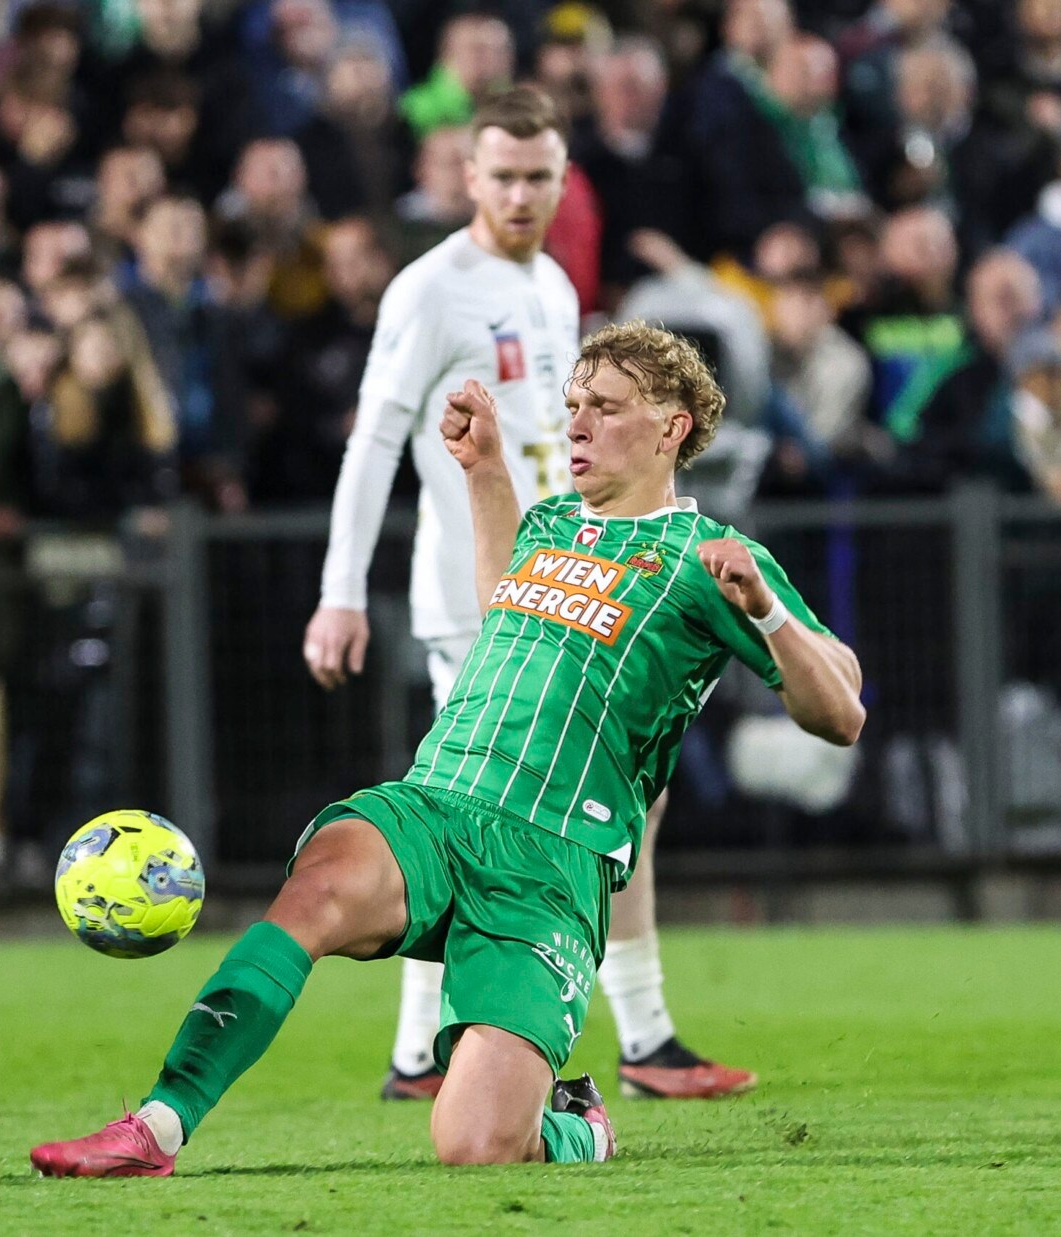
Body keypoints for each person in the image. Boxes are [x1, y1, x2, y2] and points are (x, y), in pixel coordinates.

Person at [33, 321, 864, 1176]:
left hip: (551, 862)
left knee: (475, 1145)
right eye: (573, 404)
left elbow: (841, 712)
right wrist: (485, 471)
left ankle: (581, 1127)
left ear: (673, 425)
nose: (576, 424)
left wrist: (765, 610)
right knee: (316, 888)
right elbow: (507, 602)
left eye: (605, 408)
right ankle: (156, 1127)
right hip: (439, 801)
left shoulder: (709, 558)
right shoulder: (548, 522)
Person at [302, 85, 756, 1104]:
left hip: (567, 584)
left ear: (563, 181)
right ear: (467, 177)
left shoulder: (552, 284)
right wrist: (339, 592)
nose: (519, 194)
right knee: (496, 809)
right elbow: (373, 441)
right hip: (484, 593)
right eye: (501, 175)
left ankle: (455, 1050)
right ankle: (607, 1036)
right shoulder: (430, 289)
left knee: (608, 793)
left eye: (538, 176)